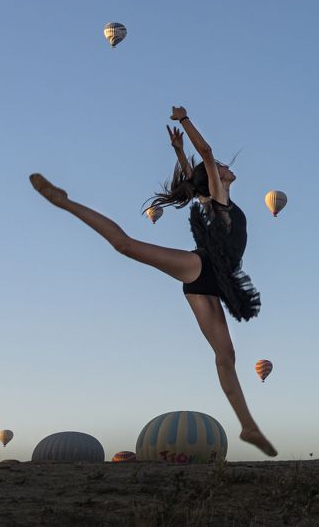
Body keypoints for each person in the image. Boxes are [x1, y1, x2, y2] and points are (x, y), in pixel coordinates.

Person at [29, 106, 277, 457]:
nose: (223, 166)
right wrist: (186, 119)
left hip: (217, 283)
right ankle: (64, 202)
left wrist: (177, 151)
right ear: (215, 178)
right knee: (126, 245)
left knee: (226, 357)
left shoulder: (215, 195)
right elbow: (205, 154)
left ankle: (248, 427)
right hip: (202, 267)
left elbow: (198, 171)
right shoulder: (219, 197)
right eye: (219, 167)